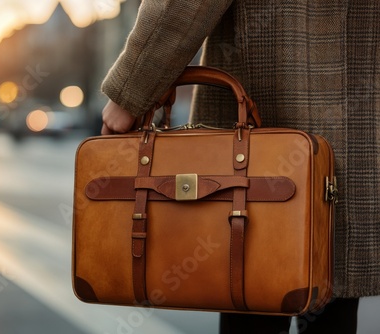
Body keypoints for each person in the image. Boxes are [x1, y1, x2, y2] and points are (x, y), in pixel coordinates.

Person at [100, 1, 380, 333]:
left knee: (248, 272)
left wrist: (128, 94)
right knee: (329, 285)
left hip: (266, 94)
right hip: (359, 119)